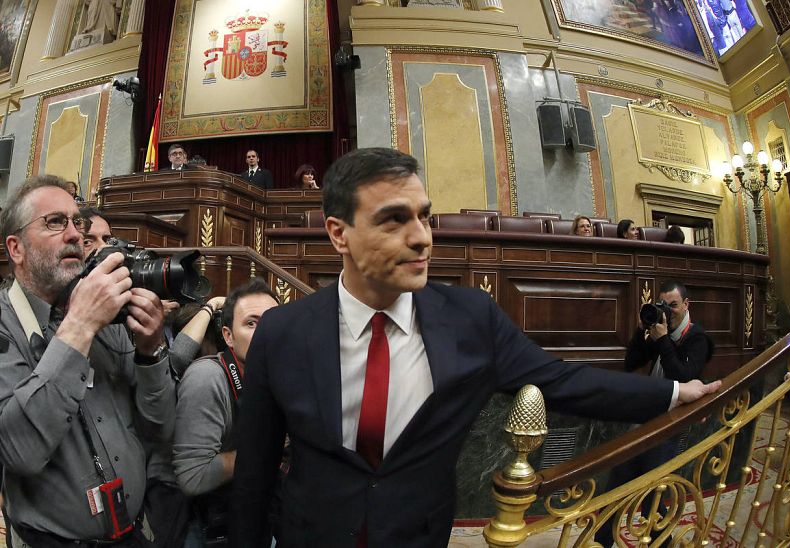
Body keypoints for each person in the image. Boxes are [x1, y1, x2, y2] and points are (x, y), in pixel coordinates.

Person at [230, 147, 721, 547]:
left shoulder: (470, 318)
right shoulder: (282, 332)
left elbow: (561, 380)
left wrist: (673, 394)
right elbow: (254, 471)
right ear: (339, 233)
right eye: (393, 220)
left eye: (424, 217)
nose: (422, 238)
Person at [0, 175, 174, 546]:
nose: (76, 235)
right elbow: (20, 452)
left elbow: (158, 428)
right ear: (16, 248)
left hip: (134, 532)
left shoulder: (109, 318)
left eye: (77, 222)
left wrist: (151, 351)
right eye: (54, 222)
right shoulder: (6, 324)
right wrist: (80, 324)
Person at [596, 280, 714, 547]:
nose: (668, 311)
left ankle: (659, 543)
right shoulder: (662, 331)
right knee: (617, 485)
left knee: (655, 495)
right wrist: (641, 332)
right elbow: (632, 363)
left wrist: (662, 341)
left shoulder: (698, 338)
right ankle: (600, 542)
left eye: (673, 306)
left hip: (668, 427)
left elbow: (682, 377)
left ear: (686, 305)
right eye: (664, 306)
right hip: (643, 420)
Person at [173, 279, 279, 547]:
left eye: (273, 322)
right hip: (212, 530)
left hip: (260, 519)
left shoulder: (279, 375)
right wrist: (270, 451)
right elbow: (193, 476)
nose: (265, 332)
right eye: (252, 323)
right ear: (228, 336)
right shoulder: (207, 377)